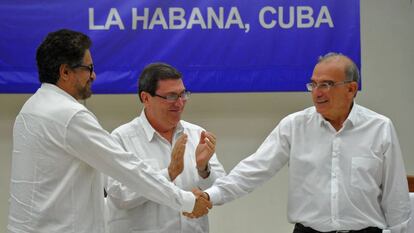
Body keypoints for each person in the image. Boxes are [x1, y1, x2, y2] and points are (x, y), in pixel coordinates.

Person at [7, 29, 211, 233]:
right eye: (89, 68)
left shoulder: (31, 108)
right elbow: (128, 170)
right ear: (65, 72)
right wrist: (186, 200)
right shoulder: (70, 116)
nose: (94, 75)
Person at [200, 52, 411, 233]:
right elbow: (254, 169)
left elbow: (396, 196)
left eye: (326, 84)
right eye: (314, 84)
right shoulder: (294, 126)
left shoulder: (379, 127)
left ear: (351, 89)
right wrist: (210, 196)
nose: (317, 93)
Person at [105, 63, 226, 233]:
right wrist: (168, 174)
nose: (179, 103)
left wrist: (203, 169)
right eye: (171, 96)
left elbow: (221, 191)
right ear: (146, 98)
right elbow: (120, 196)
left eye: (183, 94)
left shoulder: (197, 134)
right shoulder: (120, 139)